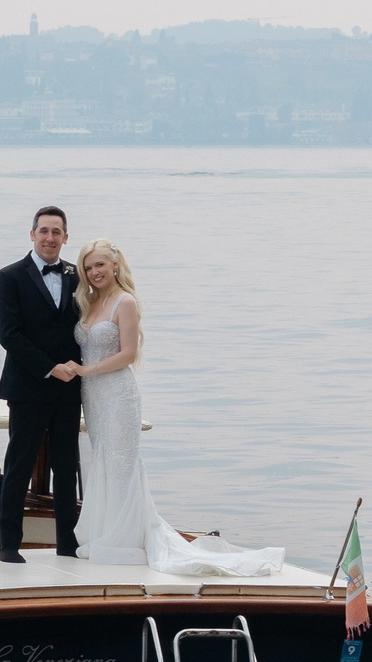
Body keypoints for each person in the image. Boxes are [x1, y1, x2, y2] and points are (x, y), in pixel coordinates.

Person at [59, 238, 286, 577]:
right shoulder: (88, 303)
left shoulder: (125, 301)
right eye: (88, 268)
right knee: (102, 461)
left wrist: (85, 370)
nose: (94, 273)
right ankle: (104, 534)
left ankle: (125, 540)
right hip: (93, 397)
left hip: (118, 394)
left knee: (122, 465)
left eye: (100, 265)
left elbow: (127, 355)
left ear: (115, 265)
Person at [0, 205, 82, 563]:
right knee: (19, 466)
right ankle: (8, 545)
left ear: (65, 237)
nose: (49, 238)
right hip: (28, 388)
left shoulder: (78, 275)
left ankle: (67, 544)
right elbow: (9, 335)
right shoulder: (9, 276)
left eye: (56, 232)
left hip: (68, 390)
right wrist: (49, 368)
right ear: (32, 234)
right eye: (43, 231)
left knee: (66, 467)